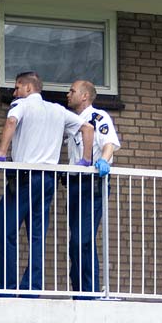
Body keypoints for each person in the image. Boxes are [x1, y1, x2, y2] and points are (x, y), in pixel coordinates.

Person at [0, 71, 95, 295]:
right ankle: (32, 288)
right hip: (48, 179)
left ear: (29, 88)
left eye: (18, 87)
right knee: (37, 236)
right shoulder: (57, 110)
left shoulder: (21, 106)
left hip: (25, 176)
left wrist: (1, 155)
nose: (14, 92)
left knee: (8, 230)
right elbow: (88, 129)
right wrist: (85, 160)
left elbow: (11, 121)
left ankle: (5, 289)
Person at [65, 80, 121, 294]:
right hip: (74, 184)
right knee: (76, 241)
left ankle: (90, 291)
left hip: (92, 184)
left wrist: (104, 161)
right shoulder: (73, 121)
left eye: (72, 91)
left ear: (85, 96)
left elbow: (109, 143)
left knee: (82, 239)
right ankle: (81, 289)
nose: (68, 95)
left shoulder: (98, 117)